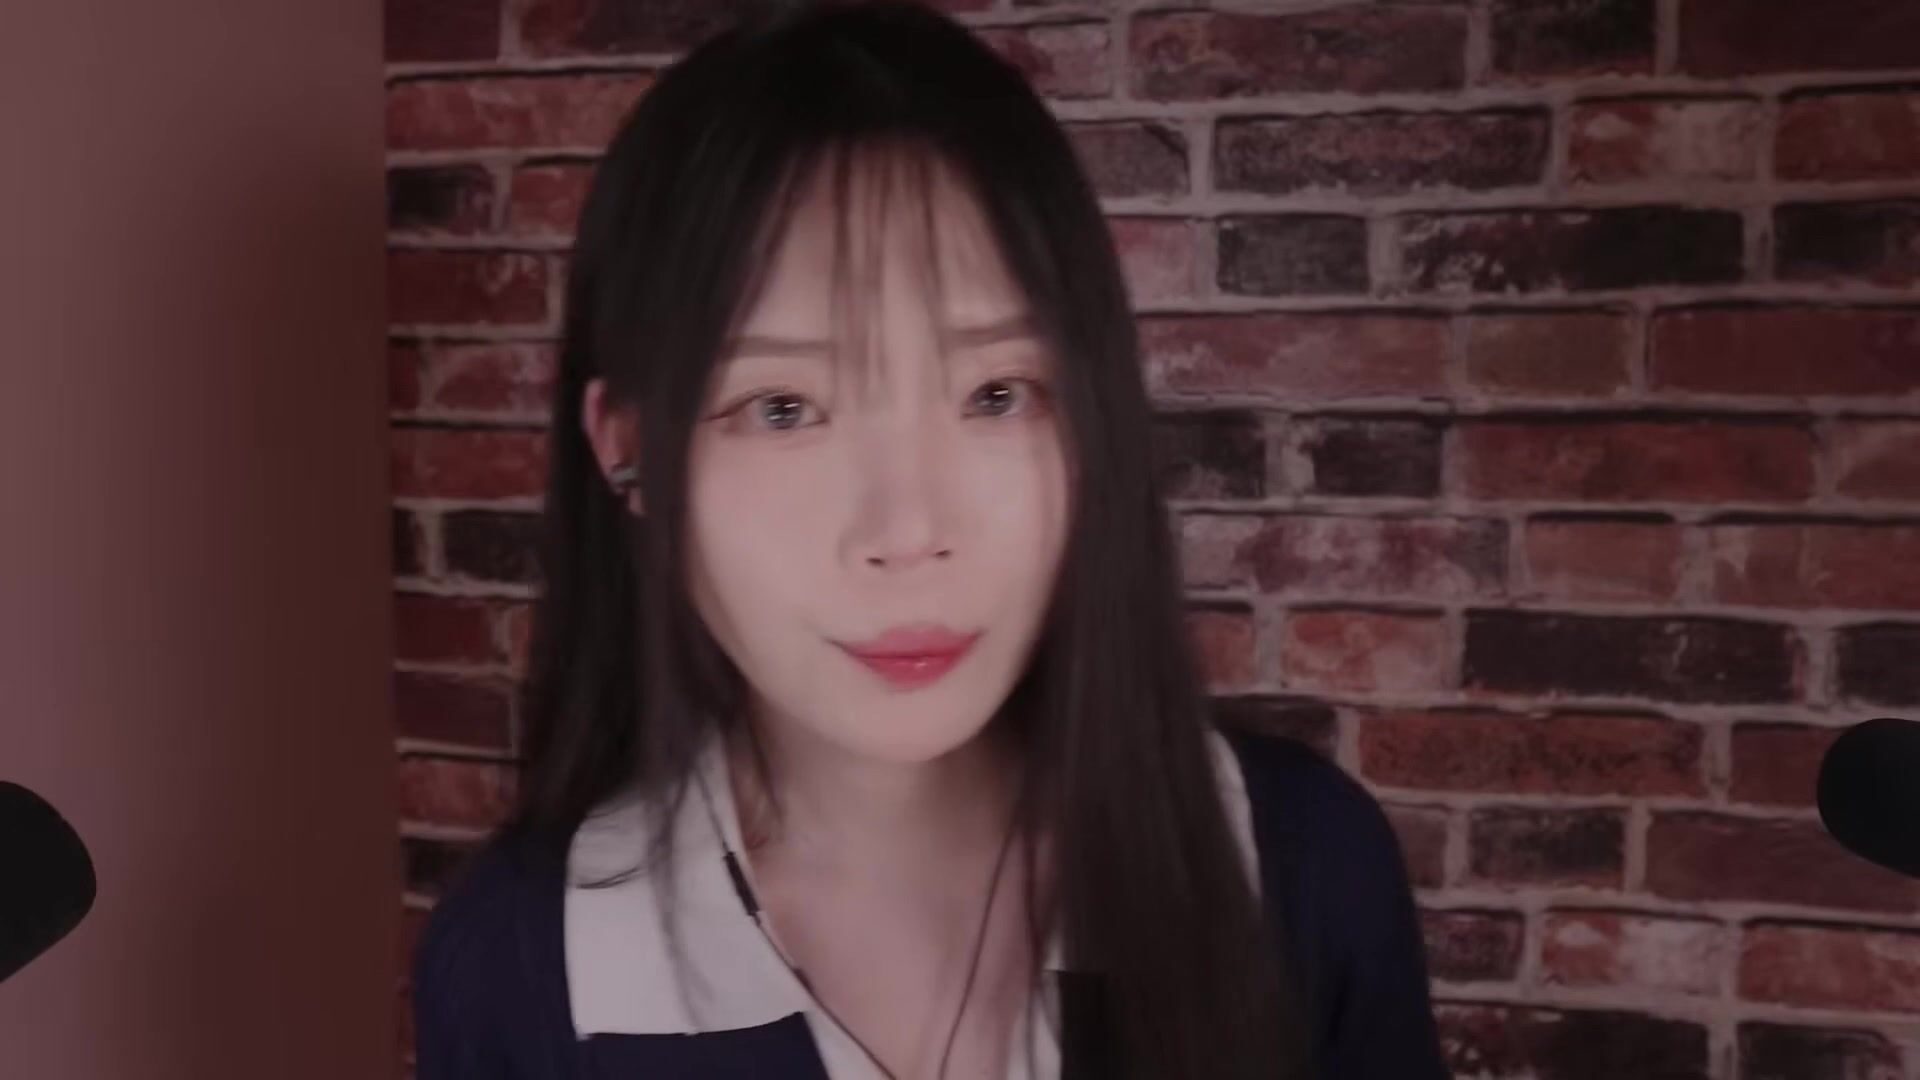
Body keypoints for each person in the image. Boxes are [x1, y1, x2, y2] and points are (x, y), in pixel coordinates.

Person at [409, 2, 1450, 1078]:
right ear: (631, 453)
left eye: (997, 393)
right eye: (782, 408)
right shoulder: (521, 971)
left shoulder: (1298, 870)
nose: (908, 534)